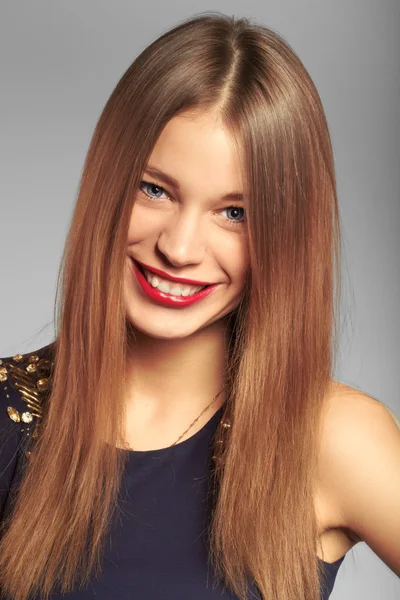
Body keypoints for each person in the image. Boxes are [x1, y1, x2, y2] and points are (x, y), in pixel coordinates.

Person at [0, 11, 399, 600]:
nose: (179, 248)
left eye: (236, 213)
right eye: (154, 189)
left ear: (287, 235)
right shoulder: (9, 412)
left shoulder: (330, 437)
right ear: (107, 182)